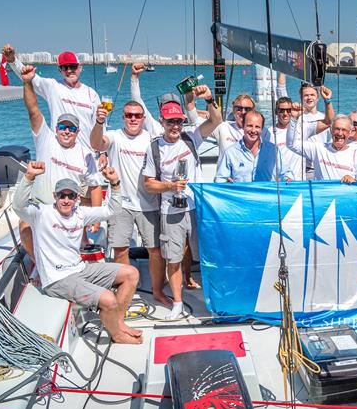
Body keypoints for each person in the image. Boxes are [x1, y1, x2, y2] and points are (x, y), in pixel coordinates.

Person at [15, 161, 142, 344]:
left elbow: (112, 210)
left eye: (71, 196)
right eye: (62, 195)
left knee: (131, 274)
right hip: (57, 279)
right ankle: (117, 335)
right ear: (54, 196)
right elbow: (19, 206)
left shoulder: (80, 213)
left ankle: (118, 323)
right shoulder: (41, 214)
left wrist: (115, 184)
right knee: (108, 299)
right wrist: (29, 177)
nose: (66, 200)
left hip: (79, 270)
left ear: (77, 198)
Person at [90, 101, 171, 307]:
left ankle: (157, 290)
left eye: (137, 115)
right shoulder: (116, 136)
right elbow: (97, 144)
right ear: (123, 117)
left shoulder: (152, 139)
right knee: (120, 249)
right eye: (128, 115)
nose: (133, 118)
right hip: (121, 203)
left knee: (155, 250)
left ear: (144, 119)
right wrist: (100, 122)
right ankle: (126, 293)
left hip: (149, 204)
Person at [18, 65, 101, 258]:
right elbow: (33, 110)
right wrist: (27, 82)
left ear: (77, 132)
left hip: (68, 206)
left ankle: (76, 251)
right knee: (24, 230)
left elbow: (95, 186)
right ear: (55, 128)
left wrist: (95, 217)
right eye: (62, 127)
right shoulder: (45, 139)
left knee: (76, 228)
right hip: (43, 204)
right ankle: (39, 264)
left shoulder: (84, 154)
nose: (66, 131)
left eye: (71, 129)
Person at [142, 100, 204, 320]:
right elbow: (148, 184)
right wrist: (170, 186)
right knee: (173, 259)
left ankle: (213, 298)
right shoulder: (154, 148)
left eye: (178, 121)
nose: (175, 126)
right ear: (162, 122)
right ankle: (178, 303)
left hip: (197, 208)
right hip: (171, 211)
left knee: (205, 256)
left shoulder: (191, 138)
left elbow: (216, 120)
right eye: (170, 121)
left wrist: (202, 99)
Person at [2, 44, 100, 152]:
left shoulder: (92, 94)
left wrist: (103, 152)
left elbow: (100, 123)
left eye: (73, 66)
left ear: (80, 68)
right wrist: (12, 60)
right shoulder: (53, 87)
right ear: (60, 70)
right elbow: (28, 76)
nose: (69, 70)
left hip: (87, 154)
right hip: (60, 153)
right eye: (64, 67)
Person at [215, 110, 293, 183]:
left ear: (262, 129)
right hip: (242, 197)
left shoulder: (273, 150)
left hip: (267, 196)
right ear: (243, 126)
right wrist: (226, 182)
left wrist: (288, 179)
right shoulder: (230, 152)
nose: (253, 130)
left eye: (257, 127)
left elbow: (287, 173)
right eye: (249, 126)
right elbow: (219, 179)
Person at [287, 113, 357, 183]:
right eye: (337, 129)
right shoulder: (319, 149)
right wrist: (293, 119)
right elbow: (292, 145)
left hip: (345, 199)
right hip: (322, 199)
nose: (340, 133)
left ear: (350, 132)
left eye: (344, 130)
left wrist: (353, 180)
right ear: (330, 130)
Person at [129, 63, 203, 138]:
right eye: (170, 121)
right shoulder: (187, 131)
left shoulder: (154, 128)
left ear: (160, 107)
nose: (174, 126)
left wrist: (134, 77)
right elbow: (195, 122)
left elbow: (137, 102)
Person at [271, 96, 304, 178]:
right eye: (281, 110)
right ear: (276, 112)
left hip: (299, 182)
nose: (285, 114)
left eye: (289, 110)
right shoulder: (269, 133)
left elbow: (327, 121)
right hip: (279, 183)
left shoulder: (301, 129)